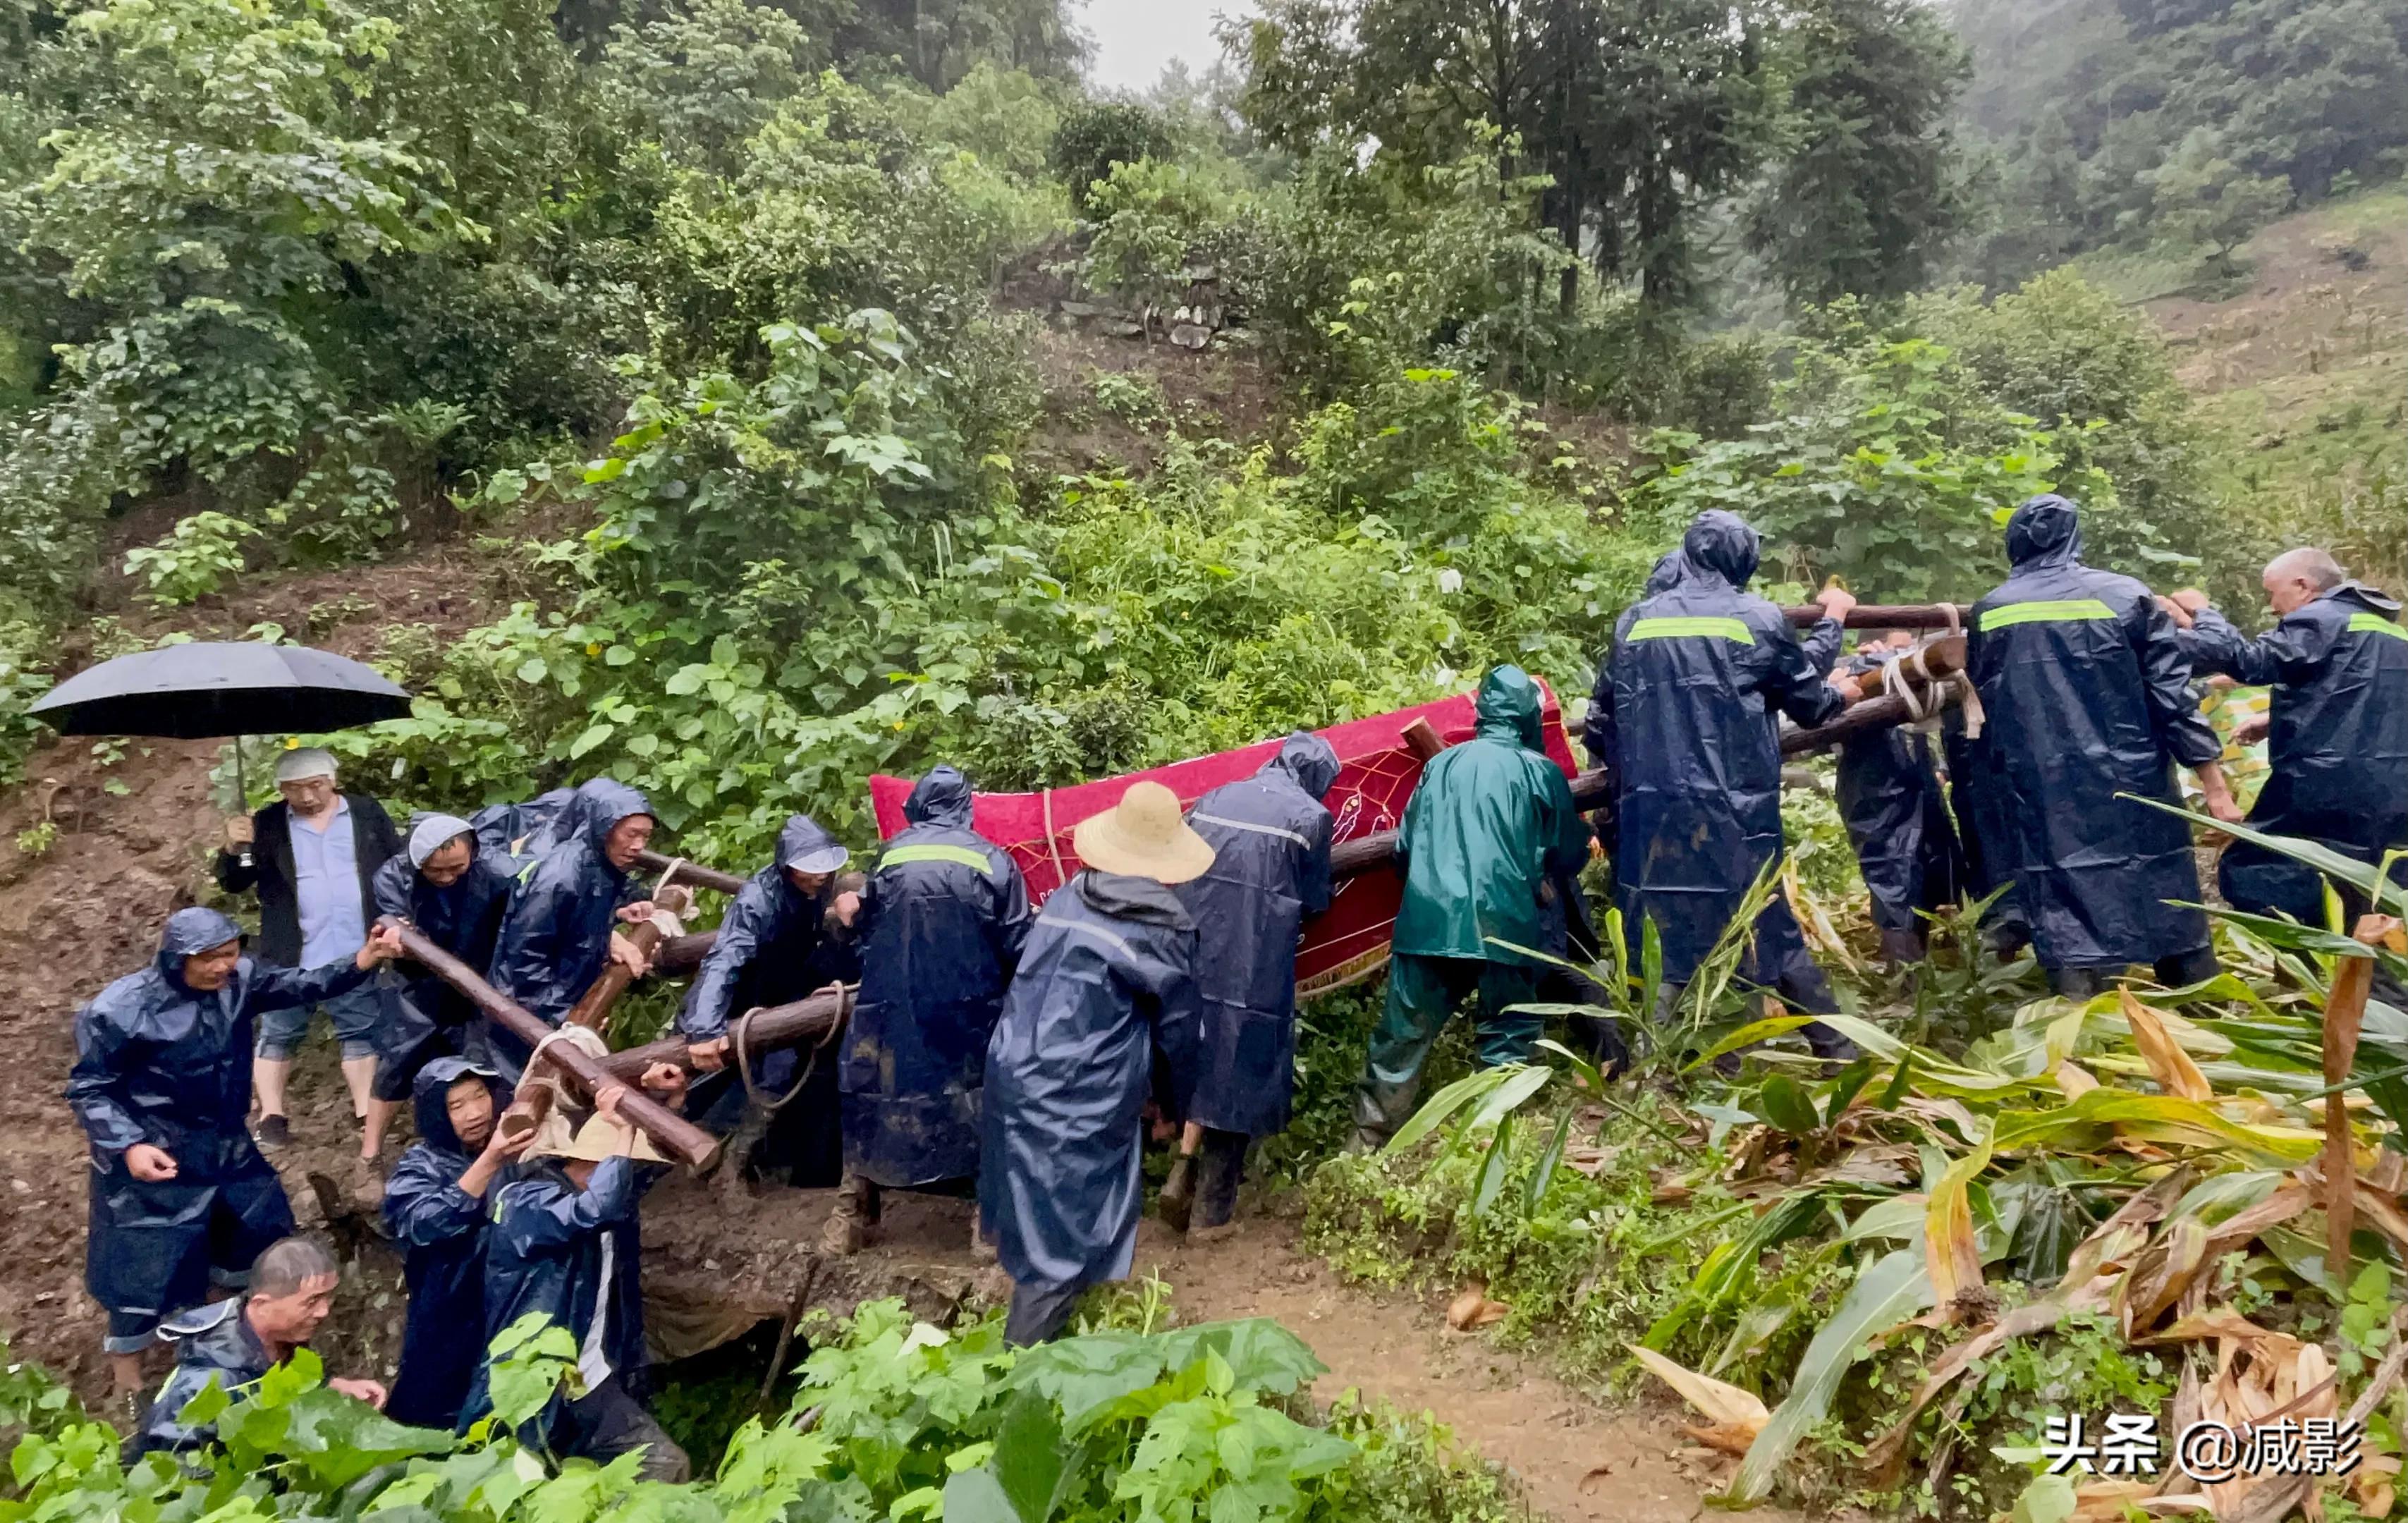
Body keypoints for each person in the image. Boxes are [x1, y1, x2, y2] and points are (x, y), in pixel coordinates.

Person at [68, 907, 403, 1402]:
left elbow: (300, 985)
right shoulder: (123, 1009)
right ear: (177, 959)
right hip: (156, 1153)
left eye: (230, 954)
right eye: (211, 959)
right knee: (142, 1267)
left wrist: (363, 959)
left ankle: (243, 1342)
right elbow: (89, 1087)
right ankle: (129, 1381)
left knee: (259, 1234)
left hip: (226, 1143)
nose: (225, 966)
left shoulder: (241, 980)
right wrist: (128, 1144)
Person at [1599, 511, 1862, 1058]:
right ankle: (1836, 1048)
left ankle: (1659, 1057)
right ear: (1743, 558)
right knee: (1765, 923)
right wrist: (1845, 690)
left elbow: (1605, 714)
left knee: (1663, 927)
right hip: (1733, 812)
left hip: (1654, 814)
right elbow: (1808, 701)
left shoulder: (1635, 622)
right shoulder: (1757, 618)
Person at [1967, 494, 2244, 998]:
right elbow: (2172, 698)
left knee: (2060, 884)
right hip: (2131, 775)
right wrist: (2214, 785)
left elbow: (1987, 711)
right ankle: (2198, 998)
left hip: (2042, 782)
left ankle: (2078, 1012)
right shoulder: (2127, 596)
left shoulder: (1990, 611)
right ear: (2074, 536)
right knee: (2159, 875)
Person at [982, 782, 1208, 1345]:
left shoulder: (1069, 895)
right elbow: (1179, 1034)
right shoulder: (1163, 926)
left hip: (1013, 1067)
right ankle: (1016, 1382)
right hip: (1077, 1088)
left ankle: (1039, 1343)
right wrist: (1176, 1109)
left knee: (1033, 1217)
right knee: (1062, 1244)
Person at [1352, 665, 1590, 1146]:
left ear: (1482, 713)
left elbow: (1402, 851)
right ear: (1526, 716)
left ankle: (1363, 1148)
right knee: (1508, 1034)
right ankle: (1488, 1148)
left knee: (1398, 1044)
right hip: (1505, 926)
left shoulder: (1440, 766)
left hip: (1427, 925)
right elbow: (1569, 855)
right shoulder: (1538, 771)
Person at [833, 769, 1030, 1255]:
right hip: (968, 1012)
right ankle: (985, 1228)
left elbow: (867, 924)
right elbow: (1020, 944)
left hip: (890, 1007)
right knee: (984, 1100)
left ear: (918, 807)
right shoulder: (993, 861)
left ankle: (849, 1216)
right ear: (965, 809)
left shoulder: (891, 855)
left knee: (870, 1094)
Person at [2165, 549, 2408, 926]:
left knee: (2257, 869)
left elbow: (2247, 661)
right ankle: (2372, 975)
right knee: (2374, 883)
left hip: (2327, 786)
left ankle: (2309, 958)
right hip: (2393, 788)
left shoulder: (2318, 619)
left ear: (2302, 585)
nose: (2272, 607)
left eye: (2272, 593)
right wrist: (2271, 718)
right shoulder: (2387, 629)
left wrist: (2203, 614)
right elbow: (2360, 692)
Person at [466, 1075, 690, 1480]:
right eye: (625, 1162)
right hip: (531, 1385)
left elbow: (628, 1187)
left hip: (588, 1381)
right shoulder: (527, 1201)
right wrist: (621, 1139)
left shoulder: (601, 1196)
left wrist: (669, 1105)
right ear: (598, 1163)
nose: (633, 1172)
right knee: (526, 1489)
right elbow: (594, 1209)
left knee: (664, 1465)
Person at [1160, 733, 1338, 1237]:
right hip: (1255, 959)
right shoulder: (1310, 818)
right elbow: (1315, 899)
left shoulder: (1216, 796)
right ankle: (1211, 1216)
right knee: (1242, 1067)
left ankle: (1180, 1164)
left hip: (1195, 947)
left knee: (1200, 1054)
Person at [214, 747, 403, 1155]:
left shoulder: (366, 814)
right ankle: (272, 1116)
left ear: (333, 780)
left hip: (357, 944)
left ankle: (364, 1113)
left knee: (361, 1030)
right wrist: (235, 849)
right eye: (295, 789)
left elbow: (397, 865)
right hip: (292, 950)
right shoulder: (265, 824)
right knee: (280, 1031)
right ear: (281, 790)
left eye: (315, 785)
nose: (307, 796)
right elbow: (235, 882)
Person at [676, 814, 861, 1201]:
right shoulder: (757, 902)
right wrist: (706, 1027)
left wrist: (853, 904)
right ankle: (690, 1163)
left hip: (783, 992)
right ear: (787, 866)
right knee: (700, 1088)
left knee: (777, 1078)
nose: (819, 877)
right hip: (739, 1001)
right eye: (810, 870)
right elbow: (724, 960)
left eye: (825, 869)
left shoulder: (821, 889)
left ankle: (737, 1164)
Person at [129, 1236, 387, 1458]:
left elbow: (283, 1385)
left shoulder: (280, 1341)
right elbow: (172, 1470)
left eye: (328, 1298)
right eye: (312, 1302)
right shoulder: (206, 1383)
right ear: (262, 1304)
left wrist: (333, 1387)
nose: (324, 1312)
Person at [381, 1058, 530, 1430]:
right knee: (432, 1411)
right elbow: (425, 1222)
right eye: (456, 1105)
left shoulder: (521, 1149)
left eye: (480, 1096)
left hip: (511, 1304)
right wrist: (492, 1160)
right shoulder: (420, 1166)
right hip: (447, 1314)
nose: (475, 1113)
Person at [365, 814, 515, 1167]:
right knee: (396, 1065)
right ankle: (370, 1154)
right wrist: (401, 938)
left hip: (482, 982)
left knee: (481, 1066)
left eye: (456, 868)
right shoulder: (392, 877)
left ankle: (487, 1155)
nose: (447, 877)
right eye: (436, 871)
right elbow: (392, 921)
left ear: (472, 853)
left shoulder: (495, 868)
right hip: (417, 984)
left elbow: (537, 891)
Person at [487, 781, 659, 1084]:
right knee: (523, 1093)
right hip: (525, 1010)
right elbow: (524, 958)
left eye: (645, 836)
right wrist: (564, 1015)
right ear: (606, 828)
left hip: (565, 993)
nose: (639, 846)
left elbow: (585, 919)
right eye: (631, 834)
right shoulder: (561, 876)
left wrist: (621, 910)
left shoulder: (603, 863)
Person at [1835, 633, 1967, 965]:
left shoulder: (1914, 678)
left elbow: (1926, 727)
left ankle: (1941, 955)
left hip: (1913, 774)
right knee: (1891, 868)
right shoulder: (1855, 674)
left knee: (1935, 859)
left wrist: (1938, 766)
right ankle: (1905, 970)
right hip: (1873, 783)